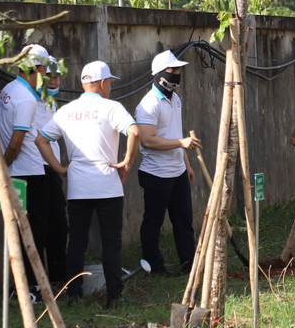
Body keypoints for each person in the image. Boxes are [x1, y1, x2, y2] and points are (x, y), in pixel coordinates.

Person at [39, 60, 140, 307]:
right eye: (109, 83)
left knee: (76, 243)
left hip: (78, 187)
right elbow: (135, 132)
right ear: (103, 83)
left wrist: (60, 167)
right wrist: (126, 161)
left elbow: (41, 139)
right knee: (111, 243)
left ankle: (73, 295)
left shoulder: (65, 111)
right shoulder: (112, 108)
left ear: (84, 83)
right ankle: (114, 297)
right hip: (108, 184)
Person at [0, 43, 54, 302]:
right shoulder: (27, 99)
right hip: (28, 173)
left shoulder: (8, 90)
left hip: (11, 173)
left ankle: (21, 285)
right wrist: (1, 170)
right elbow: (16, 143)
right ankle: (29, 288)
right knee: (34, 232)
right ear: (39, 68)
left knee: (15, 232)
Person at [135, 51, 201, 276]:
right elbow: (148, 140)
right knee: (153, 222)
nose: (177, 74)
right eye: (172, 70)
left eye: (179, 70)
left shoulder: (175, 99)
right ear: (160, 74)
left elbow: (176, 134)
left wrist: (187, 164)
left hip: (178, 171)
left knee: (184, 220)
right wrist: (181, 143)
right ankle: (154, 266)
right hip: (156, 173)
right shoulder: (148, 104)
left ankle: (188, 263)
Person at [34, 55, 69, 292]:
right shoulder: (28, 101)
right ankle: (34, 284)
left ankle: (58, 279)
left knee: (58, 227)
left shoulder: (49, 102)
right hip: (35, 170)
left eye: (58, 76)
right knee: (38, 228)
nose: (55, 81)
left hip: (50, 169)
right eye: (50, 76)